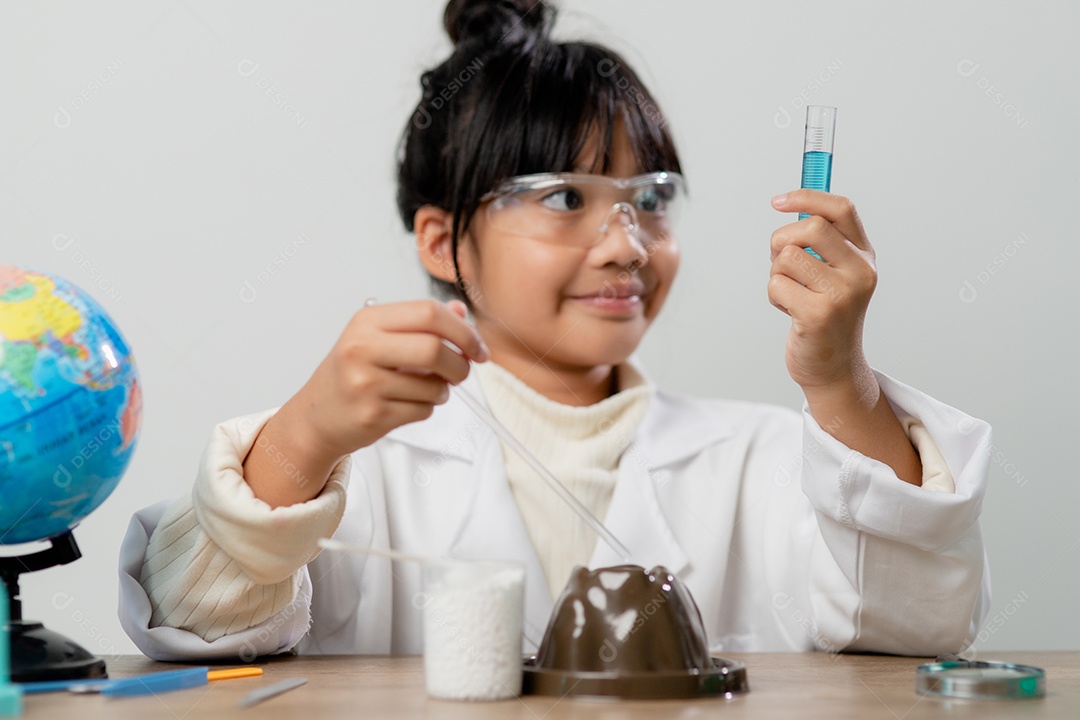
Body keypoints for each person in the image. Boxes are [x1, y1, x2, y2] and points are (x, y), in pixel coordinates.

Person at [119, 0, 991, 661]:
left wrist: (842, 384)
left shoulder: (764, 460)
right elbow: (195, 626)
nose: (627, 246)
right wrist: (302, 437)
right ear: (442, 239)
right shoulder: (362, 472)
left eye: (650, 200)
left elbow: (918, 631)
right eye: (567, 197)